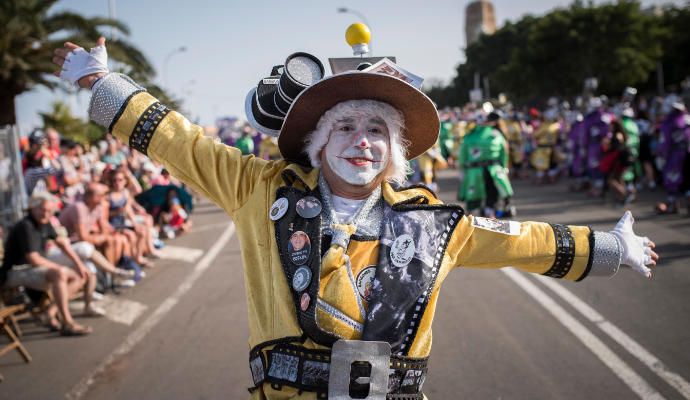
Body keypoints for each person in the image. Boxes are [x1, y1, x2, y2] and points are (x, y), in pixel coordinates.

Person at [52, 38, 658, 399]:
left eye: (376, 130)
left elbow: (517, 239)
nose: (362, 141)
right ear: (317, 141)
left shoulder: (433, 223)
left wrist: (608, 245)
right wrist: (106, 84)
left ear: (395, 152)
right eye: (345, 125)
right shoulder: (258, 189)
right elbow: (184, 143)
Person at [1, 192, 92, 335]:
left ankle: (50, 312)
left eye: (49, 211)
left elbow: (62, 243)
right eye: (42, 210)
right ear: (33, 208)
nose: (46, 214)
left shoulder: (45, 222)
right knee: (60, 273)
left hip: (32, 270)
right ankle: (67, 322)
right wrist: (62, 269)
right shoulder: (26, 225)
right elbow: (34, 259)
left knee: (80, 275)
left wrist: (79, 264)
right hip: (14, 272)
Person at [458, 111, 514, 217]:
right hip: (494, 171)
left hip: (475, 172)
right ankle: (490, 213)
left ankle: (475, 219)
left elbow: (462, 156)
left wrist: (462, 169)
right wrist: (504, 167)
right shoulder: (497, 134)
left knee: (474, 198)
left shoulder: (469, 136)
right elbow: (504, 153)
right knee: (492, 196)